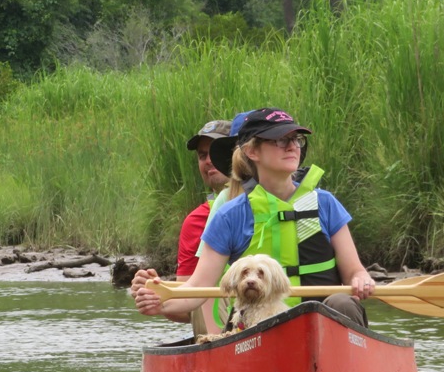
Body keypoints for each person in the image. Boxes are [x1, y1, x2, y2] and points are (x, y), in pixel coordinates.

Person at [133, 107, 376, 333]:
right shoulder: (230, 216)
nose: (292, 146)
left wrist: (361, 278)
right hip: (258, 330)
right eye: (281, 140)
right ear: (252, 151)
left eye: (296, 139)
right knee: (255, 319)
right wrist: (160, 303)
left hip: (323, 328)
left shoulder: (326, 204)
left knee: (343, 303)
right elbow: (197, 290)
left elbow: (354, 271)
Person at [132, 119, 232, 335]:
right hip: (221, 338)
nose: (208, 160)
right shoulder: (194, 221)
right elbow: (187, 310)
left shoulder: (269, 205)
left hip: (268, 321)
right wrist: (156, 294)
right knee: (204, 294)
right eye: (202, 155)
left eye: (216, 151)